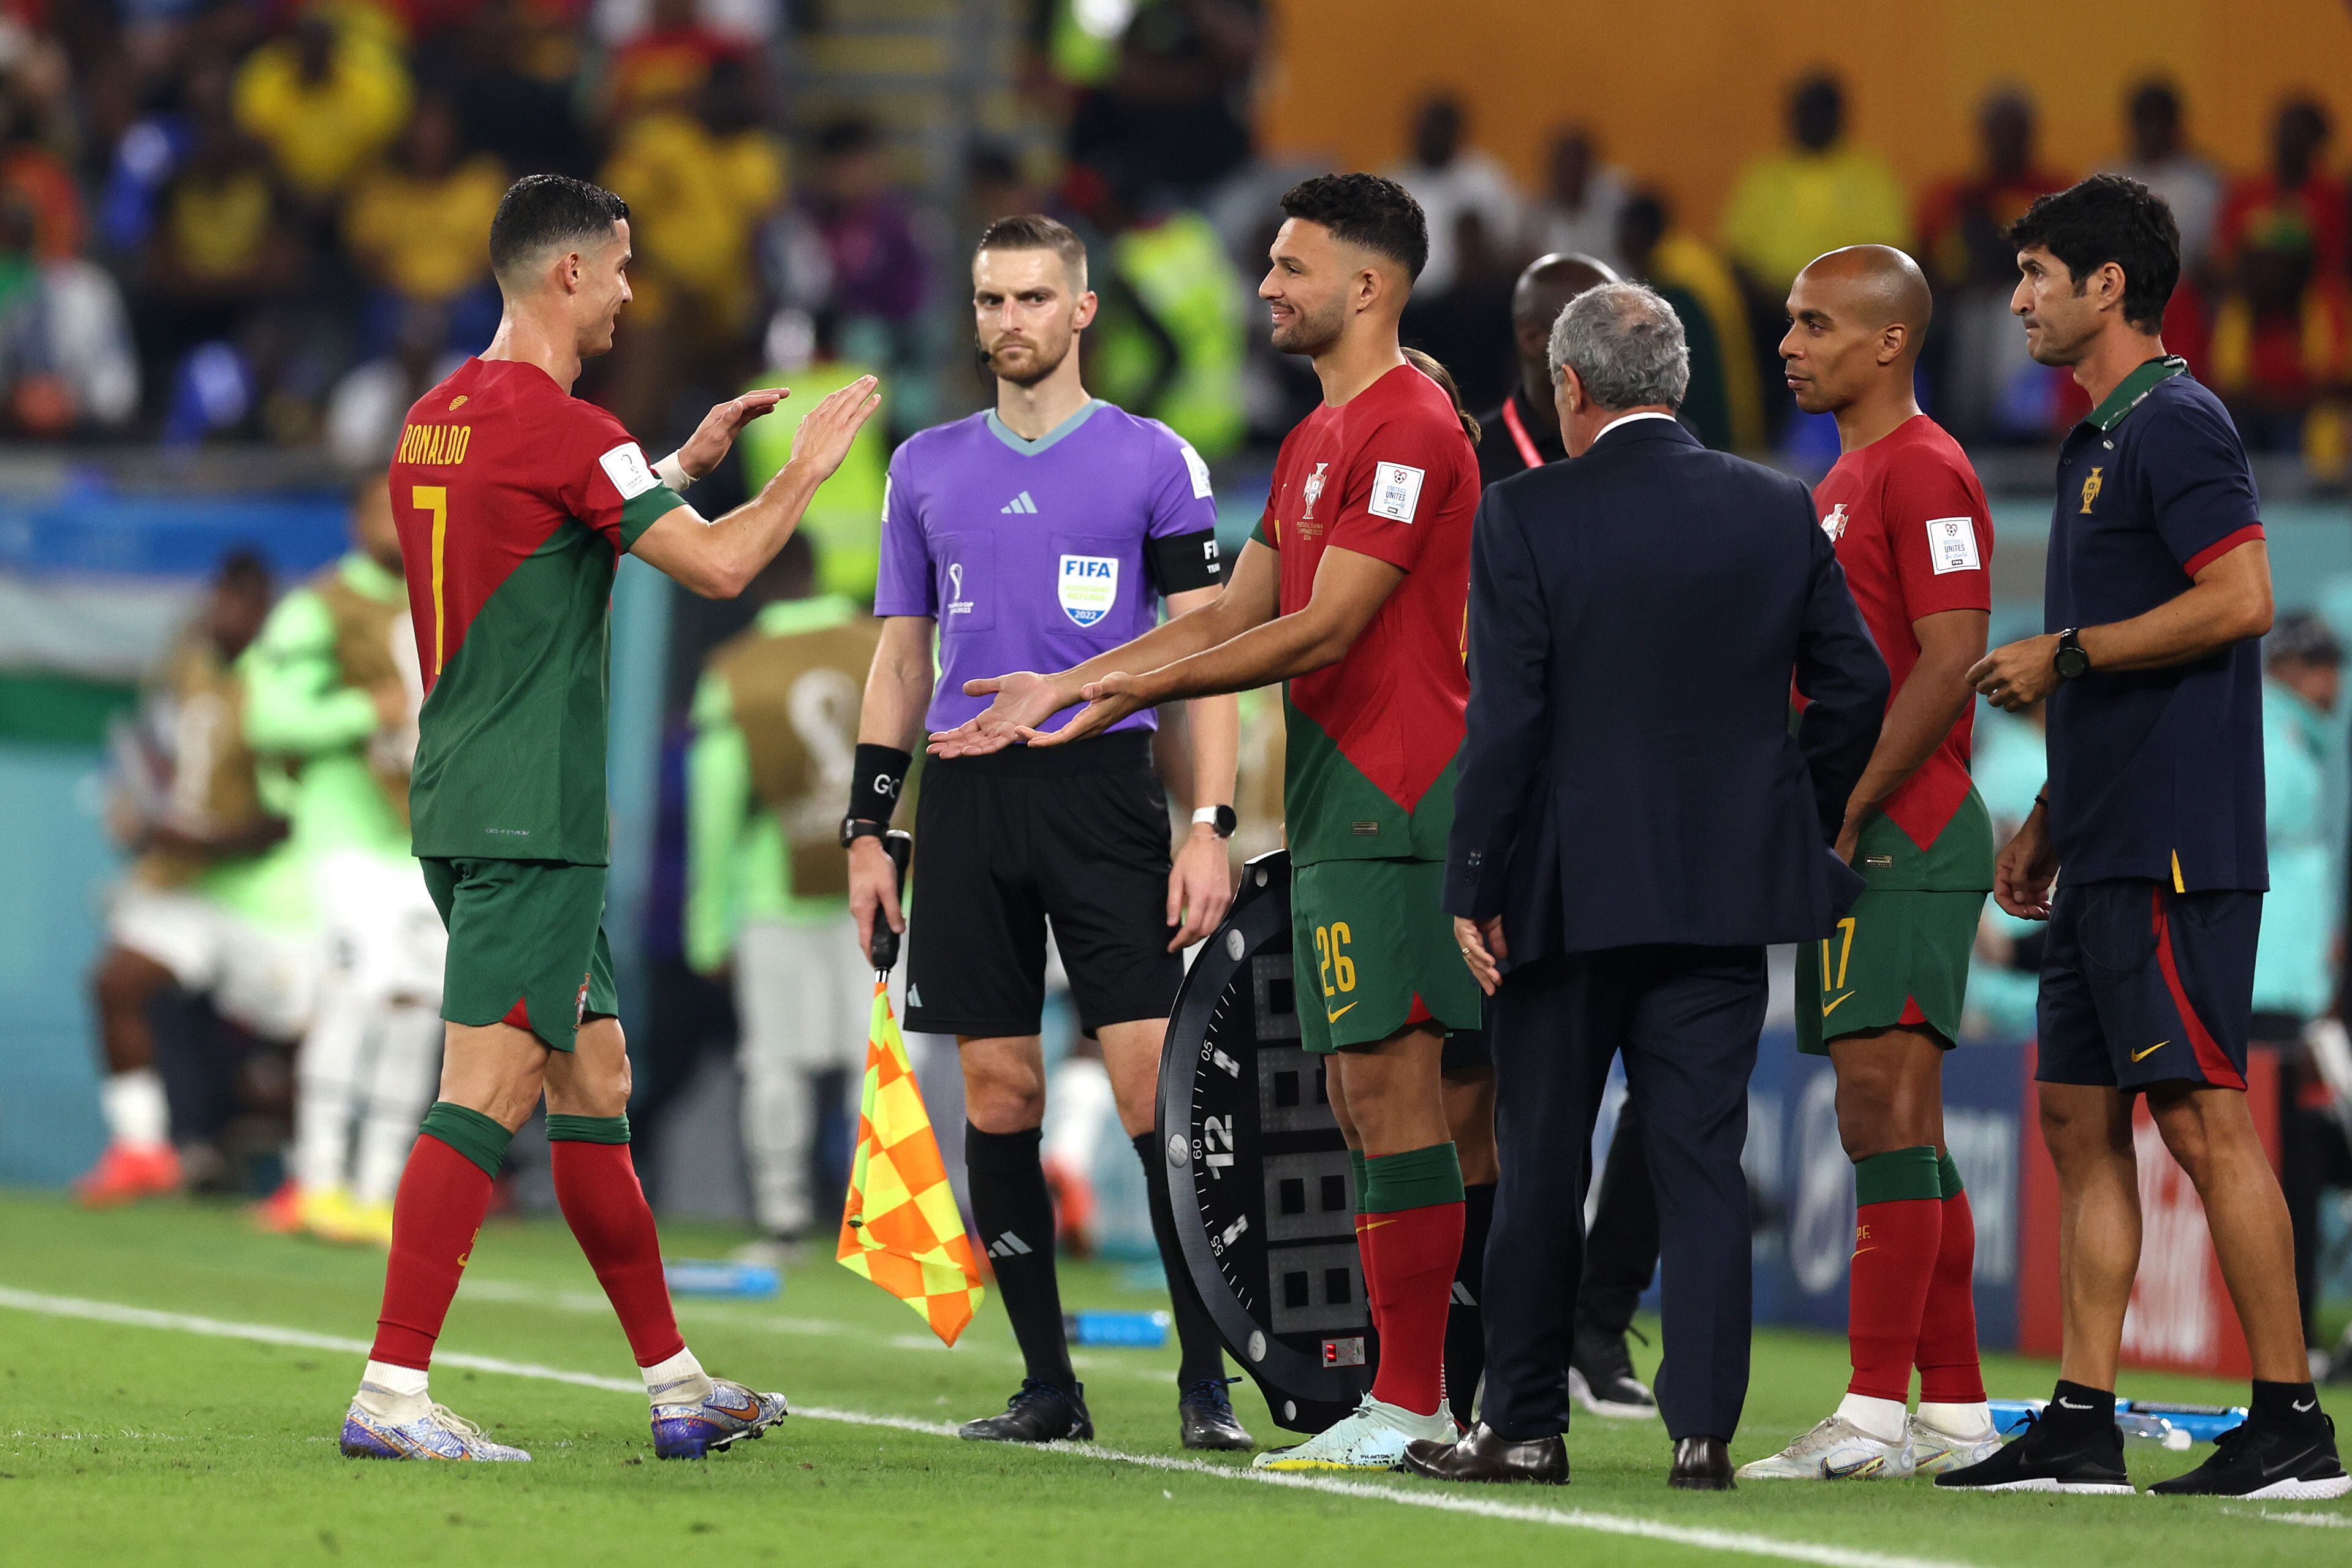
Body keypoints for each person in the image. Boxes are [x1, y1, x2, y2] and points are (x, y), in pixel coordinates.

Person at [932, 175, 1485, 1472]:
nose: (1264, 289)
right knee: (1358, 1099)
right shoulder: (1313, 439)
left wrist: (1120, 687)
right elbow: (1231, 610)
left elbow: (1324, 624)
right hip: (1347, 807)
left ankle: (1422, 1400)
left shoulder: (1406, 424)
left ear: (1364, 285)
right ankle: (1415, 1398)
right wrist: (1066, 682)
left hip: (1408, 800)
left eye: (1290, 268)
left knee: (1406, 1099)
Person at [344, 172, 881, 1463]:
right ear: (568, 274)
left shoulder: (436, 417)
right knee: (485, 1085)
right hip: (535, 807)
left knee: (597, 1076)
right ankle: (391, 1391)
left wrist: (676, 465)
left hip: (462, 785)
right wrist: (802, 469)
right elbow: (726, 564)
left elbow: (541, 534)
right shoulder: (564, 425)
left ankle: (677, 1384)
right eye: (623, 266)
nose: (635, 289)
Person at [1413, 281, 1888, 1490]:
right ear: (1672, 386)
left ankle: (1520, 1425)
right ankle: (1701, 1434)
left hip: (1562, 896)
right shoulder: (1775, 505)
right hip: (1723, 896)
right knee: (1697, 1159)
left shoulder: (1523, 513)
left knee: (1541, 1158)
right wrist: (1788, 813)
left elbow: (1505, 727)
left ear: (1568, 388)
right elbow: (1856, 690)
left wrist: (1472, 877)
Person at [1948, 173, 2346, 1499]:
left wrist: (2060, 650)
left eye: (2034, 277)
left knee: (2197, 1113)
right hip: (2105, 838)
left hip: (2175, 845)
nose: (2014, 301)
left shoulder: (2177, 422)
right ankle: (2078, 1415)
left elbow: (2240, 596)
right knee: (2074, 1116)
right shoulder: (2095, 439)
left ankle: (2287, 1416)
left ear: (2104, 284)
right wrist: (2053, 818)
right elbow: (2122, 667)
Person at [844, 213, 1247, 1451]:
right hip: (965, 804)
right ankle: (1046, 1387)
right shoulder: (923, 465)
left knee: (1147, 1088)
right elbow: (901, 659)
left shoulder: (1152, 460)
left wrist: (1208, 824)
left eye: (1029, 299)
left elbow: (1206, 658)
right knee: (1002, 1089)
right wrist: (870, 828)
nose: (1006, 322)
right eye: (987, 301)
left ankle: (1204, 1382)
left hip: (1100, 792)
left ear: (1080, 312)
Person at [1734, 246, 1998, 1481]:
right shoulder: (1841, 476)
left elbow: (1948, 658)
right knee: (1899, 1124)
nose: (1787, 344)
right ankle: (1949, 1412)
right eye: (1787, 324)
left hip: (1904, 827)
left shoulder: (1927, 467)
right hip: (1860, 827)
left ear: (1887, 341)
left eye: (1812, 324)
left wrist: (1848, 807)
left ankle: (1866, 1412)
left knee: (1878, 1110)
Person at [1462, 249, 1664, 1428]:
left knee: (1658, 1095)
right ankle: (1508, 1340)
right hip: (1505, 816)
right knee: (1505, 1093)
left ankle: (1597, 1312)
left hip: (1626, 820)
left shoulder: (1645, 460)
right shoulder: (1475, 460)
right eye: (1549, 329)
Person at [80, 551, 315, 1205]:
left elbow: (290, 817)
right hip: (188, 888)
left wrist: (206, 840)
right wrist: (138, 811)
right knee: (115, 983)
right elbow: (156, 763)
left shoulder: (285, 685)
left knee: (303, 1038)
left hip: (265, 896)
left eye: (242, 605)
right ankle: (141, 1148)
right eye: (220, 600)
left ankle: (312, 1177)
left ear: (264, 613)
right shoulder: (187, 668)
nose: (225, 616)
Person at [242, 483, 441, 1248]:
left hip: (423, 839)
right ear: (359, 520)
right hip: (346, 840)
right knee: (353, 999)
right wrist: (367, 712)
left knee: (418, 1013)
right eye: (387, 511)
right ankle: (319, 1181)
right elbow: (267, 716)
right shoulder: (316, 607)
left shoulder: (443, 603)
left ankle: (380, 1192)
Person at [686, 532, 880, 1259]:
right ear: (817, 566)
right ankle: (892, 1222)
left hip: (772, 890)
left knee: (776, 1061)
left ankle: (784, 1218)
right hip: (885, 883)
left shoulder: (736, 671)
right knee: (886, 1060)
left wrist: (707, 925)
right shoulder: (887, 646)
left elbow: (715, 803)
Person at [2253, 615, 2352, 1366]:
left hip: (2290, 997)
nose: (2332, 682)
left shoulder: (2299, 746)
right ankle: (2288, 1343)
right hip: (2271, 999)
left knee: (2302, 1168)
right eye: (2319, 667)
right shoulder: (2276, 744)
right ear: (2286, 670)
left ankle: (2295, 1339)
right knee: (2290, 1172)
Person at [1387, 96, 1520, 297]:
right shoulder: (1394, 183)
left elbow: (1508, 245)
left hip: (1467, 299)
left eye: (1439, 129)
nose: (1432, 136)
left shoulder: (1484, 180)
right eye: (1426, 129)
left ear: (1456, 133)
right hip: (1408, 303)